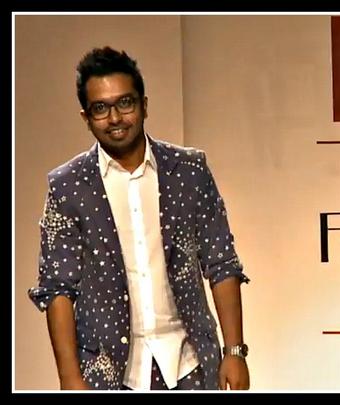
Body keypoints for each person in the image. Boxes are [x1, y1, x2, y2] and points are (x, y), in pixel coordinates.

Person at [28, 46, 250, 391]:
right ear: (86, 117)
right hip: (108, 374)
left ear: (144, 105)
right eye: (101, 108)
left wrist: (234, 351)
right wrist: (69, 378)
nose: (115, 118)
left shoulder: (189, 171)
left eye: (125, 103)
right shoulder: (68, 187)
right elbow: (57, 289)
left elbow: (221, 262)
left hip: (190, 363)